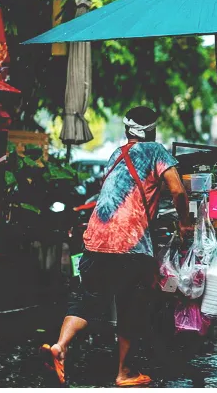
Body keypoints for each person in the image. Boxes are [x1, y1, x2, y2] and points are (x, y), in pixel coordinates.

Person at [40, 106, 191, 387]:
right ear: (152, 131)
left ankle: (60, 346)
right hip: (130, 244)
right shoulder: (156, 151)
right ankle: (124, 372)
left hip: (95, 239)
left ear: (125, 131)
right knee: (131, 306)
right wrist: (184, 223)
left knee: (87, 299)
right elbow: (178, 190)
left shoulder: (115, 154)